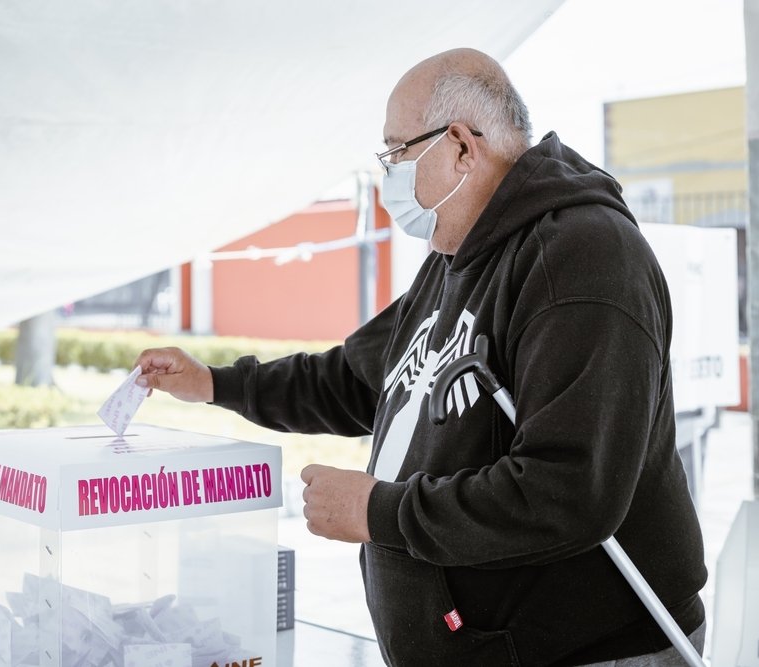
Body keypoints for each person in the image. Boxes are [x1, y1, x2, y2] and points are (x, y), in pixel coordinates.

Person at [133, 48, 707, 666]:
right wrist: (215, 384)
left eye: (397, 152)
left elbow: (566, 492)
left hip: (593, 651)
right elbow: (352, 381)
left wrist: (375, 511)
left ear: (460, 145)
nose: (389, 177)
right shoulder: (454, 259)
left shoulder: (580, 258)